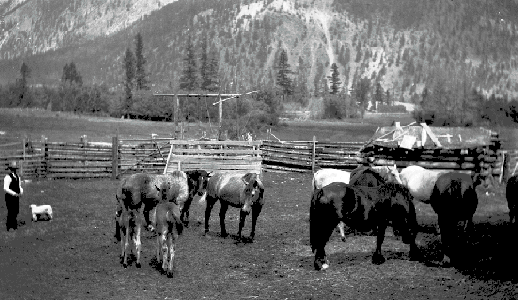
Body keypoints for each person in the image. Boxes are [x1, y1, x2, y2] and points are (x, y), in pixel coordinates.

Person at [4, 161, 23, 231]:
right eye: (12, 169)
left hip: (16, 196)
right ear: (10, 169)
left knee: (16, 210)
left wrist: (21, 191)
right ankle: (9, 226)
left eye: (15, 169)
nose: (14, 170)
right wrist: (14, 193)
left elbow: (19, 186)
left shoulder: (17, 177)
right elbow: (5, 188)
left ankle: (14, 225)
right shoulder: (7, 177)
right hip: (9, 197)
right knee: (11, 210)